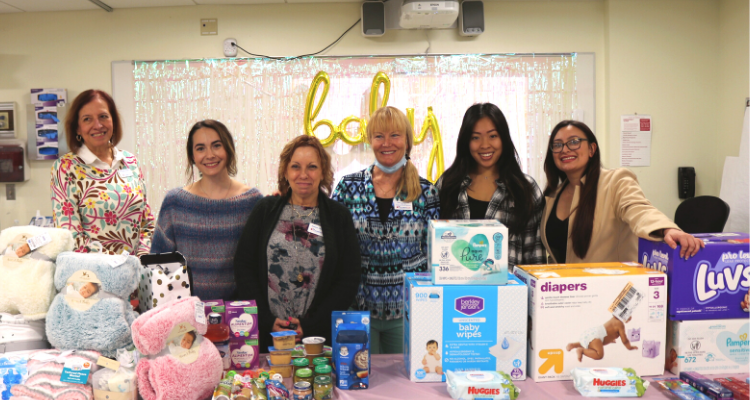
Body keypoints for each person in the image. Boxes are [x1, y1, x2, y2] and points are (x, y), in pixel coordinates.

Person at [234, 135, 360, 352]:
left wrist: (311, 325)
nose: (303, 174)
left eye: (312, 167)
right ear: (285, 171)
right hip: (269, 336)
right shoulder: (265, 210)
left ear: (323, 172)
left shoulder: (338, 217)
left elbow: (348, 279)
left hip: (317, 339)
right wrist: (266, 319)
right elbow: (244, 266)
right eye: (295, 167)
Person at [331, 106, 440, 354]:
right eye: (379, 135)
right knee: (359, 382)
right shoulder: (349, 187)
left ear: (407, 141)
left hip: (409, 311)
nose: (387, 143)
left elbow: (434, 256)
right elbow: (333, 243)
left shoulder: (427, 192)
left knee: (405, 389)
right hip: (357, 310)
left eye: (395, 135)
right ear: (370, 141)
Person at [541, 120, 704, 263]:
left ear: (592, 149)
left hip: (613, 291)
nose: (564, 149)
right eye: (557, 145)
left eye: (574, 141)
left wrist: (668, 228)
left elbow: (639, 209)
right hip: (568, 291)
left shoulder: (616, 181)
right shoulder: (553, 195)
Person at [151, 120, 263, 300]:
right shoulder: (175, 202)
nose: (209, 155)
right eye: (200, 148)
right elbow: (159, 266)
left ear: (228, 149)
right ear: (192, 155)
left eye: (216, 146)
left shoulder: (252, 201)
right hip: (185, 316)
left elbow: (261, 264)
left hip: (239, 316)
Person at [437, 103, 545, 269]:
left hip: (509, 293)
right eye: (475, 137)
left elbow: (535, 258)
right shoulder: (448, 184)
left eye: (493, 136)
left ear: (504, 138)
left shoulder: (525, 189)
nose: (485, 145)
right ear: (466, 141)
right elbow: (436, 246)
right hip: (456, 292)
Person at [51, 89, 154, 256]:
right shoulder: (66, 167)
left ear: (113, 120)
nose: (98, 125)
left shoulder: (130, 162)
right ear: (77, 128)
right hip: (92, 277)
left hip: (137, 273)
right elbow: (70, 236)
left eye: (103, 116)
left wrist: (141, 259)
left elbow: (147, 224)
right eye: (87, 119)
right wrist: (117, 267)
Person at [566, 316, 637, 362]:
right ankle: (582, 350)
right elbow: (624, 340)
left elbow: (607, 332)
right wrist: (629, 347)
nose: (631, 317)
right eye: (629, 314)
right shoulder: (620, 324)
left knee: (590, 343)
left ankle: (574, 345)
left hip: (590, 333)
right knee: (599, 355)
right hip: (596, 337)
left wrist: (610, 339)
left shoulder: (613, 319)